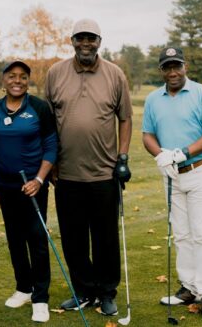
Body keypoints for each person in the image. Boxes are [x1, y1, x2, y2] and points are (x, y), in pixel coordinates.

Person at [45, 18, 132, 317]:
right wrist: (50, 161)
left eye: (91, 38)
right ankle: (84, 291)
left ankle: (106, 292)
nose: (86, 43)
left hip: (104, 173)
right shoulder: (56, 73)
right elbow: (47, 121)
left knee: (105, 237)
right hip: (66, 174)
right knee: (73, 237)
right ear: (72, 41)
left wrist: (122, 158)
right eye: (80, 38)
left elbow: (125, 118)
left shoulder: (115, 74)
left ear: (99, 41)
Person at [142, 47, 202, 320]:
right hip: (172, 174)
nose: (173, 72)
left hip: (200, 171)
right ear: (161, 71)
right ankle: (189, 287)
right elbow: (147, 136)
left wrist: (183, 152)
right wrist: (161, 155)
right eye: (168, 67)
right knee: (181, 234)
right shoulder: (154, 99)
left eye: (177, 66)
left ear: (185, 67)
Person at [0, 60, 57, 323]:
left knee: (36, 237)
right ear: (3, 80)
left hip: (33, 185)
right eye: (12, 76)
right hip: (5, 184)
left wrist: (39, 178)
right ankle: (23, 288)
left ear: (28, 81)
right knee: (14, 237)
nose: (17, 81)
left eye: (23, 77)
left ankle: (40, 297)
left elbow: (50, 146)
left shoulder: (39, 108)